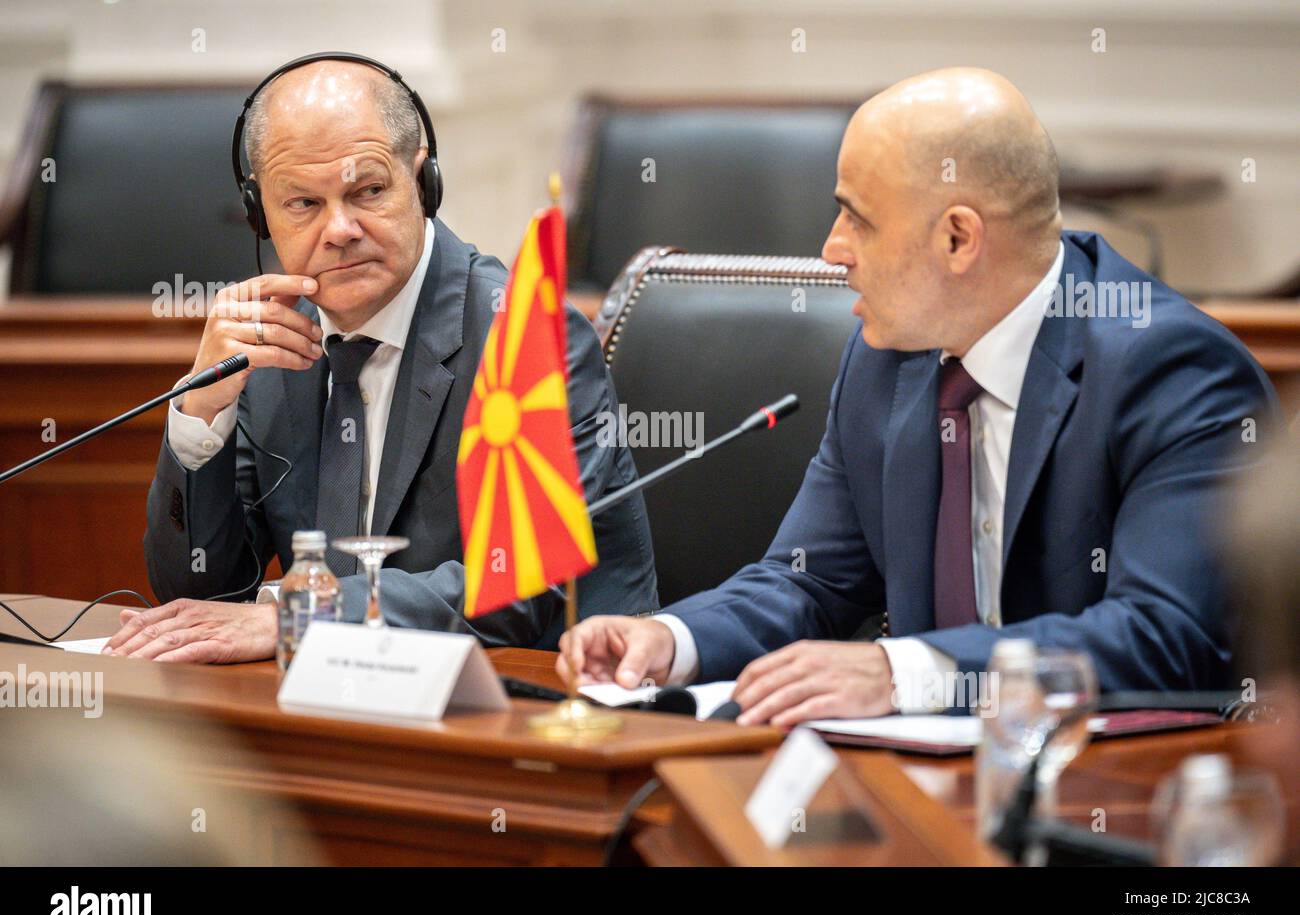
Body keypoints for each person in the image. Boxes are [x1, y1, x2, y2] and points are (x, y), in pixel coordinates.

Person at [558, 67, 1278, 726]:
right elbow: (808, 582)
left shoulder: (1173, 371)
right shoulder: (887, 358)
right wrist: (671, 639)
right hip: (924, 783)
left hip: (1112, 792)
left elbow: (1164, 636)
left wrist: (908, 674)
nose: (832, 248)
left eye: (857, 218)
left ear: (959, 240)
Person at [106, 55, 657, 663]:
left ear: (423, 184)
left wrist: (308, 615)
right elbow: (197, 595)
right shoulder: (271, 347)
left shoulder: (525, 337)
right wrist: (202, 408)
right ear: (261, 215)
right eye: (303, 204)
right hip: (336, 707)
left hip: (539, 708)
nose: (340, 229)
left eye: (367, 190)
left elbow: (523, 588)